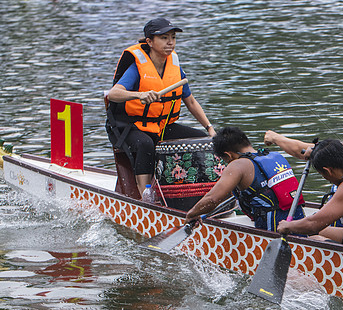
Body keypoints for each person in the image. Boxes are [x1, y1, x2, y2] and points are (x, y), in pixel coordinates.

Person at [105, 17, 217, 197]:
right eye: (164, 38)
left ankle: (196, 192)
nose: (170, 42)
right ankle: (145, 196)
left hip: (161, 126)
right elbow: (113, 94)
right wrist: (139, 94)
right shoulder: (136, 68)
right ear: (149, 41)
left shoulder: (175, 67)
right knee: (145, 144)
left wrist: (210, 129)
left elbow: (191, 102)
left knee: (201, 141)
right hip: (130, 126)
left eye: (173, 37)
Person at [184, 127, 304, 231]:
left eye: (225, 160)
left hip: (273, 228)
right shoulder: (272, 155)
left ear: (228, 155)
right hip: (297, 220)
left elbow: (212, 199)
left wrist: (192, 214)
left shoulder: (238, 165)